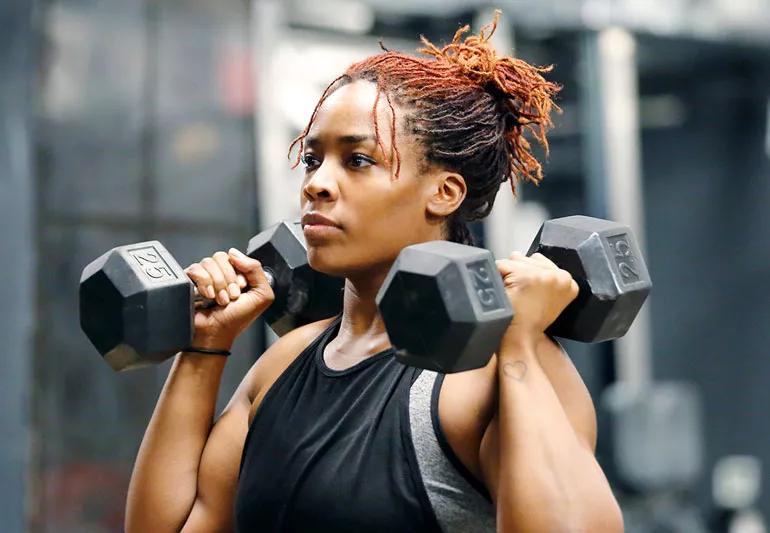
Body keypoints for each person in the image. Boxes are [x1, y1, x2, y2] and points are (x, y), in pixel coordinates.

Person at [124, 12, 624, 533]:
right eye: (314, 159)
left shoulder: (494, 365)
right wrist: (204, 349)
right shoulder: (286, 363)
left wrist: (519, 345)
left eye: (357, 161)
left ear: (444, 193)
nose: (317, 184)